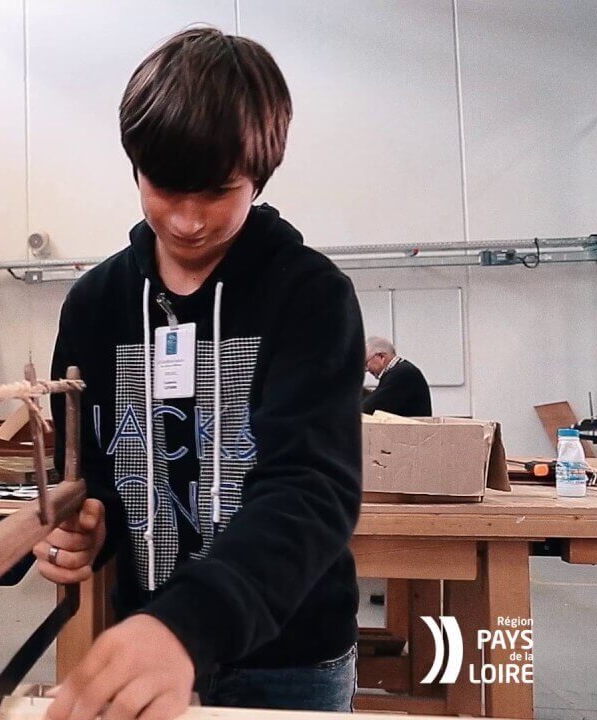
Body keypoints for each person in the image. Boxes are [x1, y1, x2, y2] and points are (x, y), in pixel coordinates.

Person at [37, 27, 364, 719]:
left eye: (217, 192)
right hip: (145, 645)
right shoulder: (96, 305)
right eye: (164, 188)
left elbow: (311, 490)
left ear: (259, 175)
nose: (185, 220)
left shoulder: (309, 296)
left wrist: (188, 624)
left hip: (290, 659)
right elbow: (89, 467)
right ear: (136, 168)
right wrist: (87, 525)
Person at [363, 336, 432, 416]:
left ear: (381, 357)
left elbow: (371, 407)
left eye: (366, 364)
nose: (367, 370)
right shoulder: (402, 371)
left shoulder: (401, 375)